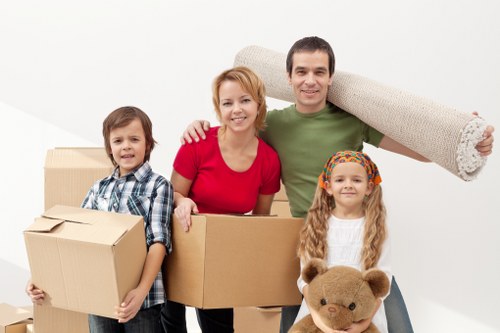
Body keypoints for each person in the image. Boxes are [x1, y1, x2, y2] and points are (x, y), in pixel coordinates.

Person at [181, 36, 495, 333]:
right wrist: (198, 125)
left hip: (359, 238)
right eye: (301, 72)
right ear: (288, 77)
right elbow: (234, 131)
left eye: (320, 72)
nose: (310, 80)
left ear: (332, 77)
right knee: (295, 326)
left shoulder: (352, 119)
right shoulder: (273, 124)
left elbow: (421, 151)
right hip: (307, 241)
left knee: (398, 325)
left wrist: (460, 138)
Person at [27, 106, 173, 333]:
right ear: (109, 147)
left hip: (142, 300)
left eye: (134, 139)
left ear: (148, 144)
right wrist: (40, 279)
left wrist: (141, 290)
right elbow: (73, 236)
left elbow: (158, 241)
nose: (126, 146)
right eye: (118, 141)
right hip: (100, 296)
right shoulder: (99, 188)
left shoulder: (158, 185)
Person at [161, 66, 281, 333]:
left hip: (221, 253)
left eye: (245, 100)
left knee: (220, 329)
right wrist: (183, 202)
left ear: (259, 103)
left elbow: (260, 220)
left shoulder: (269, 160)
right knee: (172, 325)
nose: (236, 109)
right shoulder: (198, 143)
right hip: (180, 242)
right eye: (227, 103)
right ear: (218, 108)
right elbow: (171, 194)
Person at [296, 150, 390, 333]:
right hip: (318, 315)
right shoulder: (317, 226)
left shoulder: (376, 228)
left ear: (369, 187)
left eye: (356, 180)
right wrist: (320, 322)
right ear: (329, 187)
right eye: (340, 180)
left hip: (363, 317)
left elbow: (382, 282)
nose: (348, 185)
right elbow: (305, 280)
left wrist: (361, 325)